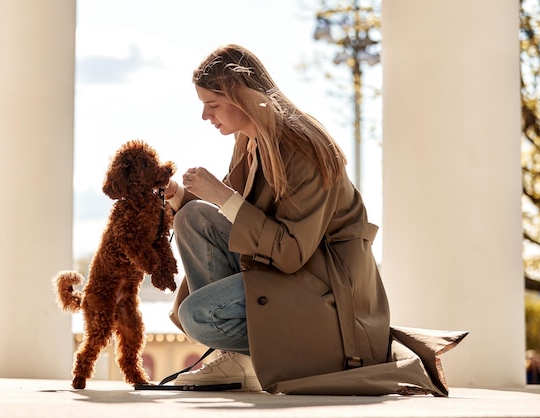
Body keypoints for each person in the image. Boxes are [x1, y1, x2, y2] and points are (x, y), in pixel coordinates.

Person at [162, 44, 391, 393]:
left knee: (199, 314)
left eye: (212, 105)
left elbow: (290, 251)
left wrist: (222, 196)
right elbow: (242, 215)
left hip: (323, 289)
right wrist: (177, 194)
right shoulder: (249, 140)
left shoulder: (302, 148)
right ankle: (237, 359)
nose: (205, 117)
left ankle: (289, 352)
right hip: (287, 274)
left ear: (242, 97)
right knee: (193, 216)